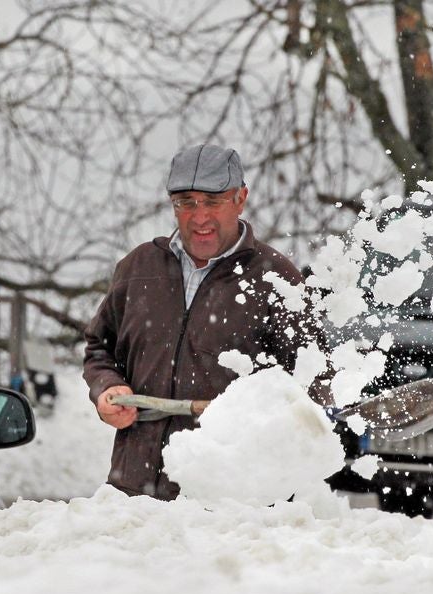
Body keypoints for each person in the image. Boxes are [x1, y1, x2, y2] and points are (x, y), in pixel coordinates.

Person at [83, 143, 314, 500]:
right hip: (132, 493)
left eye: (213, 201)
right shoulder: (139, 269)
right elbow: (100, 349)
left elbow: (311, 381)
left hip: (231, 503)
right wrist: (107, 387)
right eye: (186, 202)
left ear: (241, 198)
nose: (199, 216)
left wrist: (268, 420)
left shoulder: (276, 278)